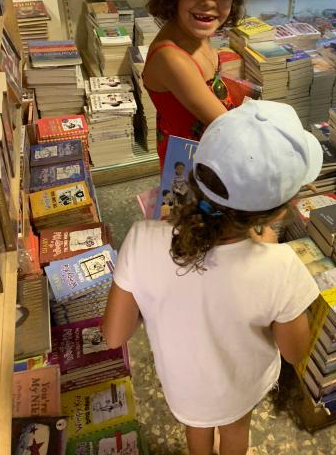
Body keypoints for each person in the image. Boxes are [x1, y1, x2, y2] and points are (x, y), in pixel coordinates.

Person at [103, 100, 323, 455]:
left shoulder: (142, 238)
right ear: (279, 212)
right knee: (235, 429)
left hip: (183, 387)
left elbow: (114, 335)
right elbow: (295, 351)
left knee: (197, 426)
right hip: (239, 387)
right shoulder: (281, 266)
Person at [142, 0, 250, 169]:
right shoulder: (172, 59)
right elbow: (228, 128)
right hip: (192, 171)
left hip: (211, 156)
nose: (209, 2)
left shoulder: (196, 32)